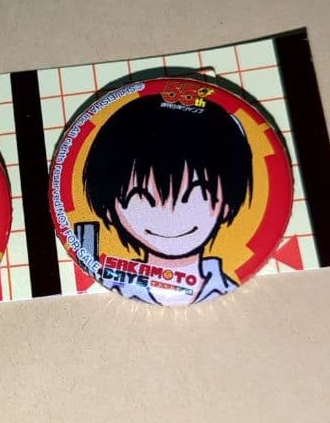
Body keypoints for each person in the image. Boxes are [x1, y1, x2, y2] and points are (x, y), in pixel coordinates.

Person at [81, 92, 253, 305]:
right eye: (141, 197)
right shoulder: (113, 284)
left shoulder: (228, 284)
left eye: (197, 193)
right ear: (110, 209)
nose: (170, 214)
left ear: (226, 203)